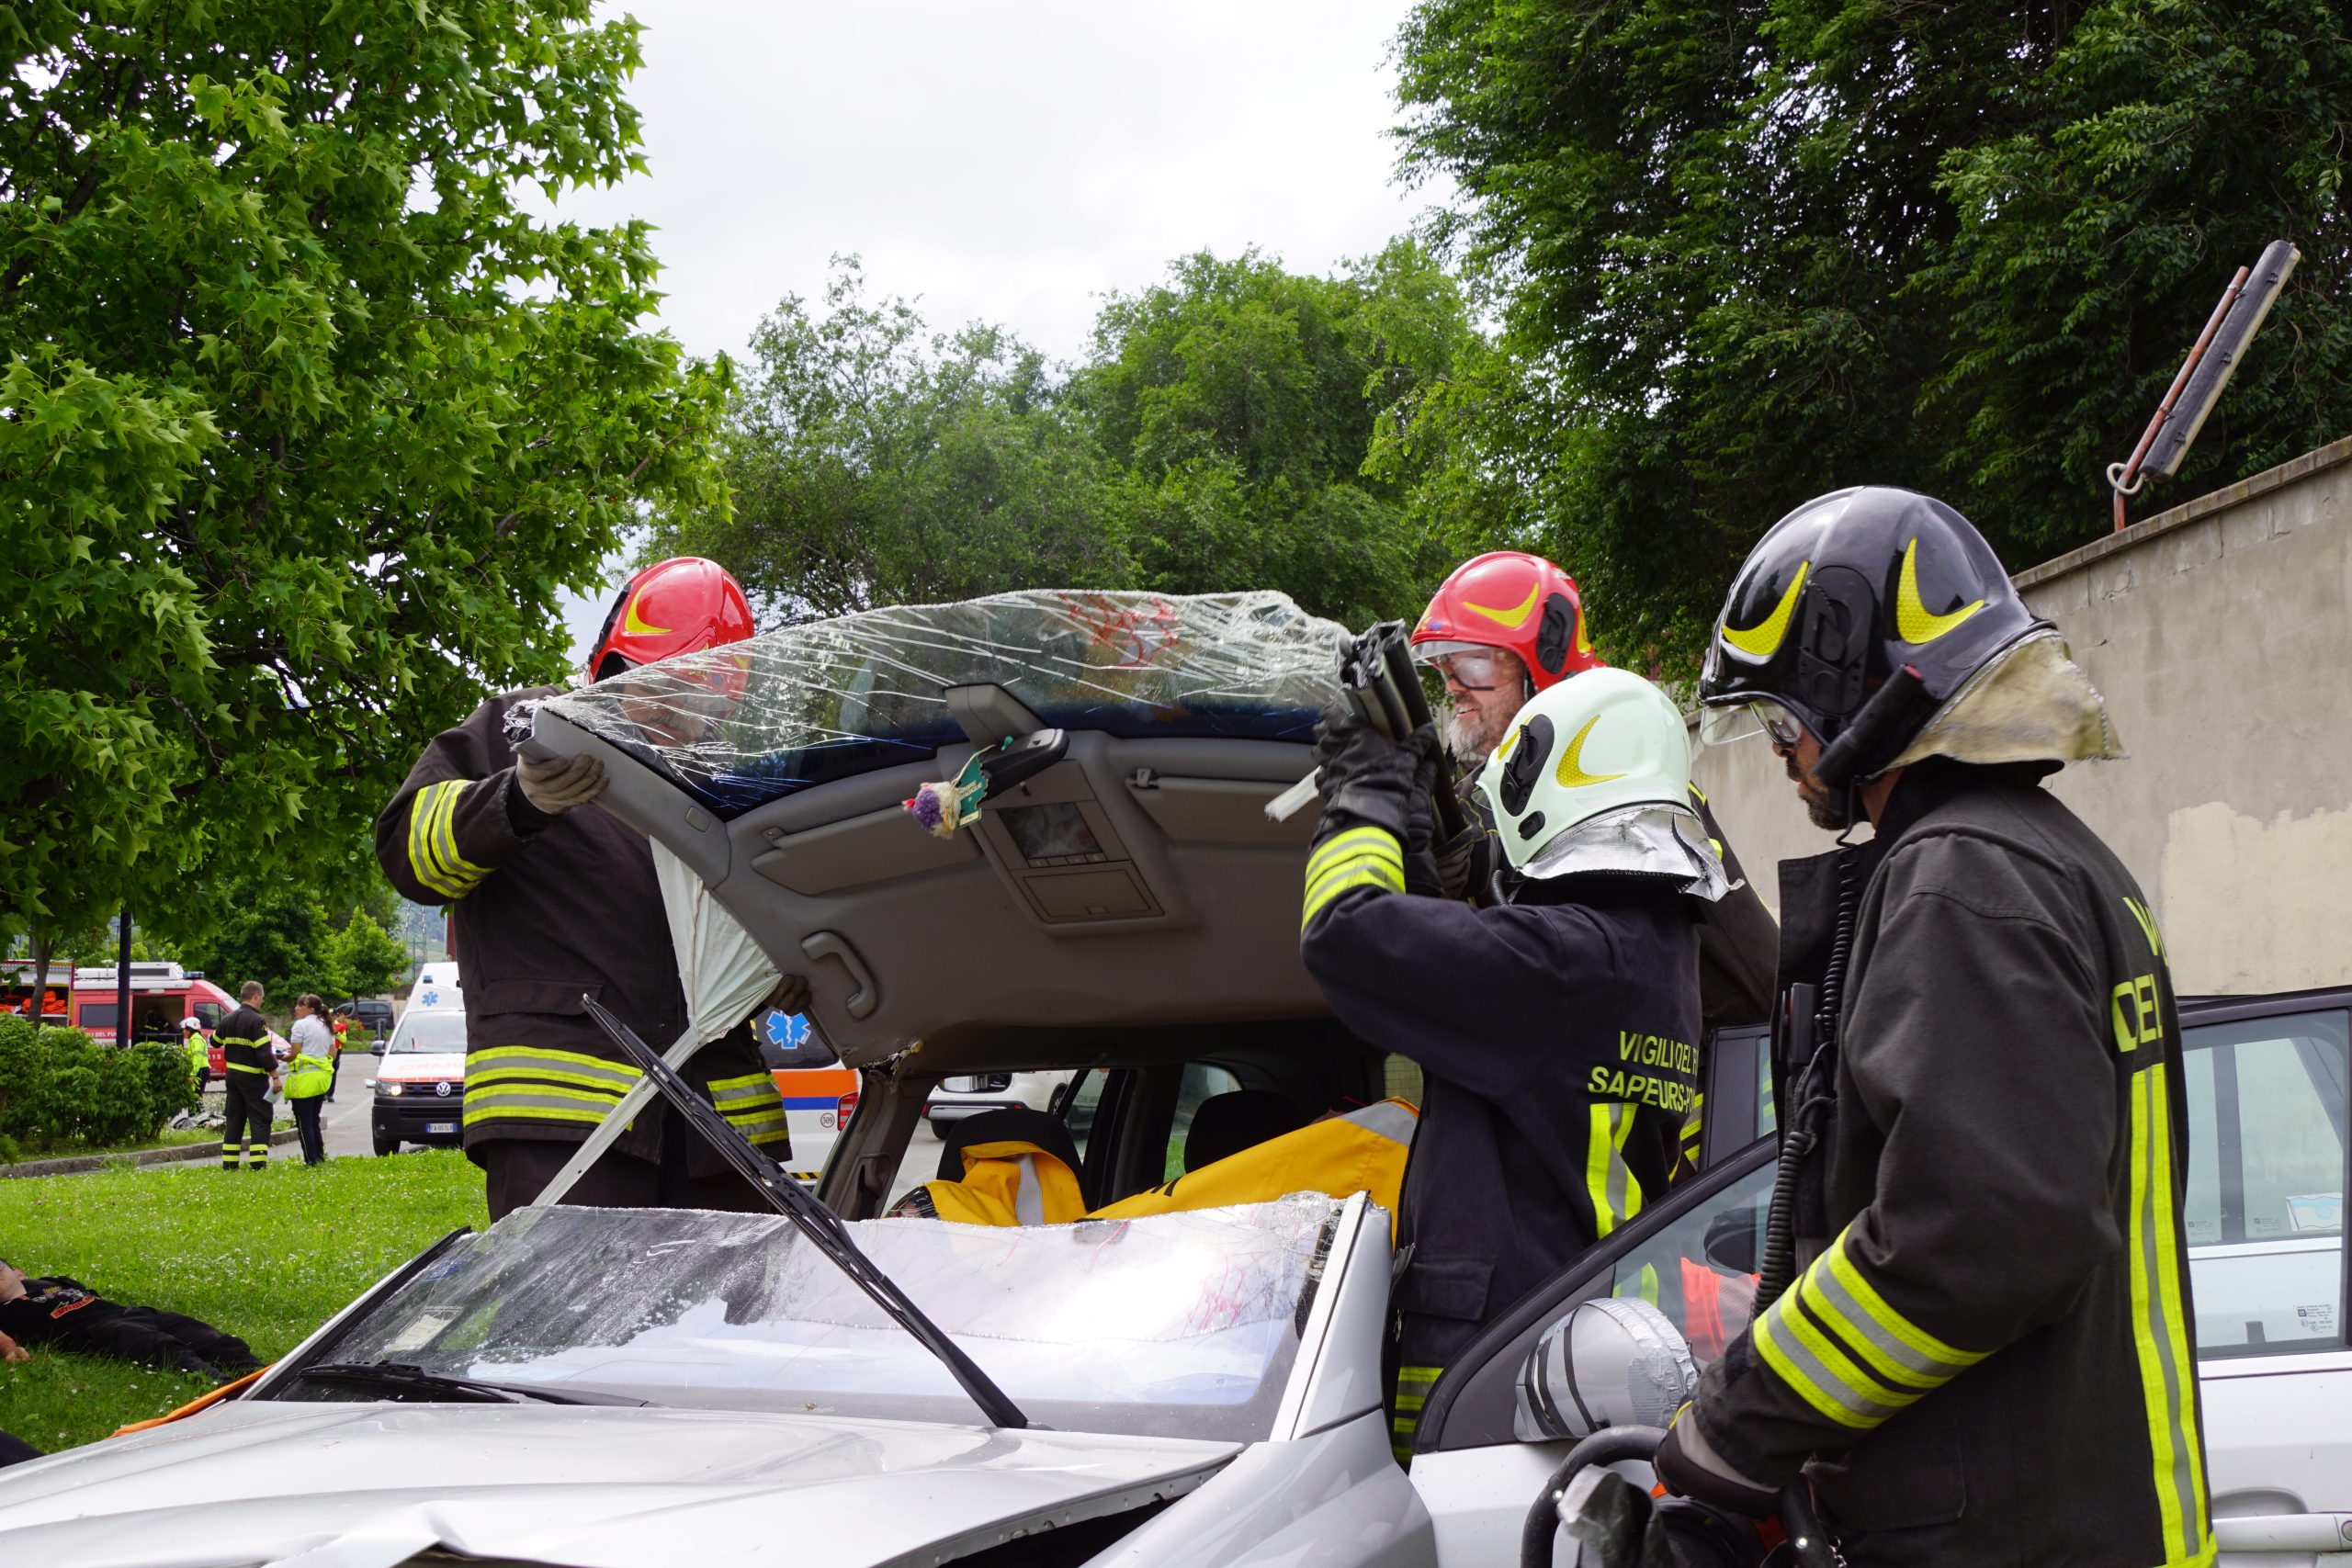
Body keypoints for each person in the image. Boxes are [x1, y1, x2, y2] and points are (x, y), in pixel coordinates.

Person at [1658, 487, 2211, 1567]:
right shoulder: (2055, 859)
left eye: (1784, 714)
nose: (1780, 749)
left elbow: (1980, 1237)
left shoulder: (1959, 879)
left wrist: (1733, 1428)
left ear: (1855, 690)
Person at [1297, 667, 1723, 1462]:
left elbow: (1344, 933)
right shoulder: (1655, 955)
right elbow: (1460, 972)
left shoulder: (1562, 963)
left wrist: (1366, 793)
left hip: (1488, 1388)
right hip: (1579, 1359)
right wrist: (1417, 841)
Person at [375, 558, 793, 1221]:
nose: (686, 720)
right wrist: (513, 800)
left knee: (724, 1328)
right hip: (562, 1129)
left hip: (724, 1143)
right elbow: (406, 852)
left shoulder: (732, 776)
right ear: (617, 664)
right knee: (569, 1326)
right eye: (669, 691)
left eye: (707, 703)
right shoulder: (527, 728)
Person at [1411, 551, 1781, 1043]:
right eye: (1445, 667)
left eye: (1473, 664)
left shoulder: (1627, 793)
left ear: (1543, 662)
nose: (1454, 688)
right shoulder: (1467, 803)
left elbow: (1757, 984)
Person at [0, 1259, 262, 1382]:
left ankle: (261, 1372)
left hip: (127, 1312)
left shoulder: (51, 1283)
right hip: (94, 1330)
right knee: (154, 1345)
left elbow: (91, 1294)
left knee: (204, 1335)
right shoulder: (4, 1313)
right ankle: (218, 1383)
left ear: (16, 1271)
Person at [213, 981, 277, 1171]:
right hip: (253, 1079)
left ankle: (230, 1164)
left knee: (234, 1120)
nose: (262, 1001)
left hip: (232, 1077)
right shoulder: (257, 1021)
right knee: (261, 1119)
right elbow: (264, 1053)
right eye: (262, 997)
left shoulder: (229, 1018)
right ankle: (257, 1163)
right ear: (256, 996)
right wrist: (275, 1075)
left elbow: (215, 1041)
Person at [284, 994, 336, 1167]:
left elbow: (295, 1054)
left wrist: (284, 1057)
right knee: (314, 1119)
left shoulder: (300, 1025)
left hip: (304, 1080)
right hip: (321, 1079)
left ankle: (310, 1161)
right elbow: (332, 1054)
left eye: (301, 1005)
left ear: (311, 1009)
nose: (297, 1008)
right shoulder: (326, 1025)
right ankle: (319, 1157)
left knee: (303, 1121)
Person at [180, 1015, 211, 1093]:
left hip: (201, 1070)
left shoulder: (197, 1039)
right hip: (200, 1069)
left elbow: (198, 1058)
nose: (184, 1032)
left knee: (196, 1095)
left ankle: (199, 1106)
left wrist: (193, 1075)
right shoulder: (193, 1039)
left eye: (185, 1029)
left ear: (190, 1029)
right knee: (195, 1095)